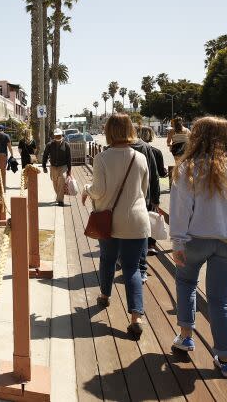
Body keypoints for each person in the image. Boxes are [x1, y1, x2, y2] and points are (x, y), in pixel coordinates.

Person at [168, 116, 227, 379]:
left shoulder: (187, 168)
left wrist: (177, 241)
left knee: (186, 283)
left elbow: (181, 211)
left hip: (196, 240)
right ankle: (225, 357)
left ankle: (185, 336)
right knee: (220, 300)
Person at [80, 114, 150, 336]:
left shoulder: (102, 158)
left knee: (108, 259)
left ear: (109, 131)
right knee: (132, 269)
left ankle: (104, 296)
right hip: (137, 220)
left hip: (110, 221)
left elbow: (99, 191)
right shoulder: (140, 157)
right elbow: (144, 191)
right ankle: (136, 316)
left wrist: (86, 189)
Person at [130, 127, 162, 281]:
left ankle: (126, 262)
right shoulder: (146, 148)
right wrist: (155, 199)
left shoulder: (113, 149)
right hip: (144, 198)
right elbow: (154, 175)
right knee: (143, 235)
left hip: (124, 201)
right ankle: (141, 269)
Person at [140, 126, 168, 257]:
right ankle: (150, 244)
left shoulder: (135, 150)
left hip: (139, 190)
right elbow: (160, 173)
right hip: (152, 191)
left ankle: (140, 244)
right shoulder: (156, 152)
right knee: (152, 215)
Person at [42, 128, 72, 206]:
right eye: (56, 136)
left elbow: (69, 158)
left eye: (59, 135)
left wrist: (69, 170)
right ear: (54, 136)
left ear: (62, 135)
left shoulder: (66, 145)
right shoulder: (49, 145)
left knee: (61, 181)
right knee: (55, 183)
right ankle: (59, 196)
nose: (58, 137)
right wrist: (44, 166)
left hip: (63, 166)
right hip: (53, 167)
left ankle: (60, 200)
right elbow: (45, 155)